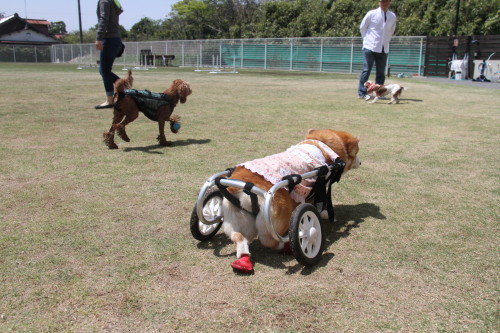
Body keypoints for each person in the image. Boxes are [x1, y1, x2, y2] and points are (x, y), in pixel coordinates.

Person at [358, 0, 396, 100]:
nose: (384, 3)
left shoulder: (392, 16)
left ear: (389, 2)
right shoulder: (371, 14)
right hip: (369, 47)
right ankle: (362, 93)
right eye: (382, 1)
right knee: (366, 70)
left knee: (381, 72)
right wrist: (366, 40)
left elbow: (391, 30)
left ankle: (379, 93)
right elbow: (362, 27)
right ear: (379, 2)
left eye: (387, 1)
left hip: (384, 48)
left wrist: (386, 41)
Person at [94, 0, 124, 109]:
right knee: (103, 70)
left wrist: (99, 38)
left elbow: (104, 18)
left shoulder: (104, 1)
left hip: (109, 39)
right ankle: (123, 87)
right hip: (116, 40)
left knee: (104, 70)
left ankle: (110, 101)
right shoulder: (112, 1)